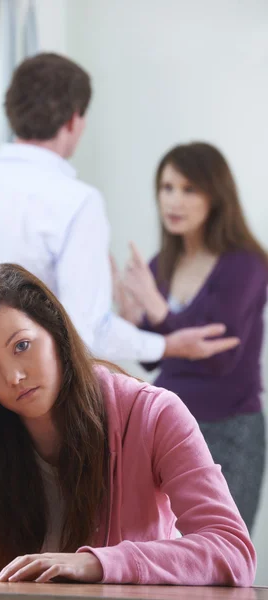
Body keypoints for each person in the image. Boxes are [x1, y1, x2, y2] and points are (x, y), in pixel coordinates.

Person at [0, 263, 255, 585]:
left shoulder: (152, 413)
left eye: (21, 346)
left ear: (54, 330)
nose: (15, 377)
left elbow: (232, 548)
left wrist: (100, 562)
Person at [0, 52, 239, 365]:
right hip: (25, 396)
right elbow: (86, 333)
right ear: (74, 119)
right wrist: (165, 345)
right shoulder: (76, 202)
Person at [114, 142, 268, 532]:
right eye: (166, 188)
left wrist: (158, 309)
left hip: (229, 427)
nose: (174, 201)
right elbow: (154, 357)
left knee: (220, 550)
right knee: (159, 547)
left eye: (188, 189)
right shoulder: (160, 264)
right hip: (166, 423)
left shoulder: (246, 264)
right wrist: (133, 317)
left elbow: (220, 357)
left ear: (216, 196)